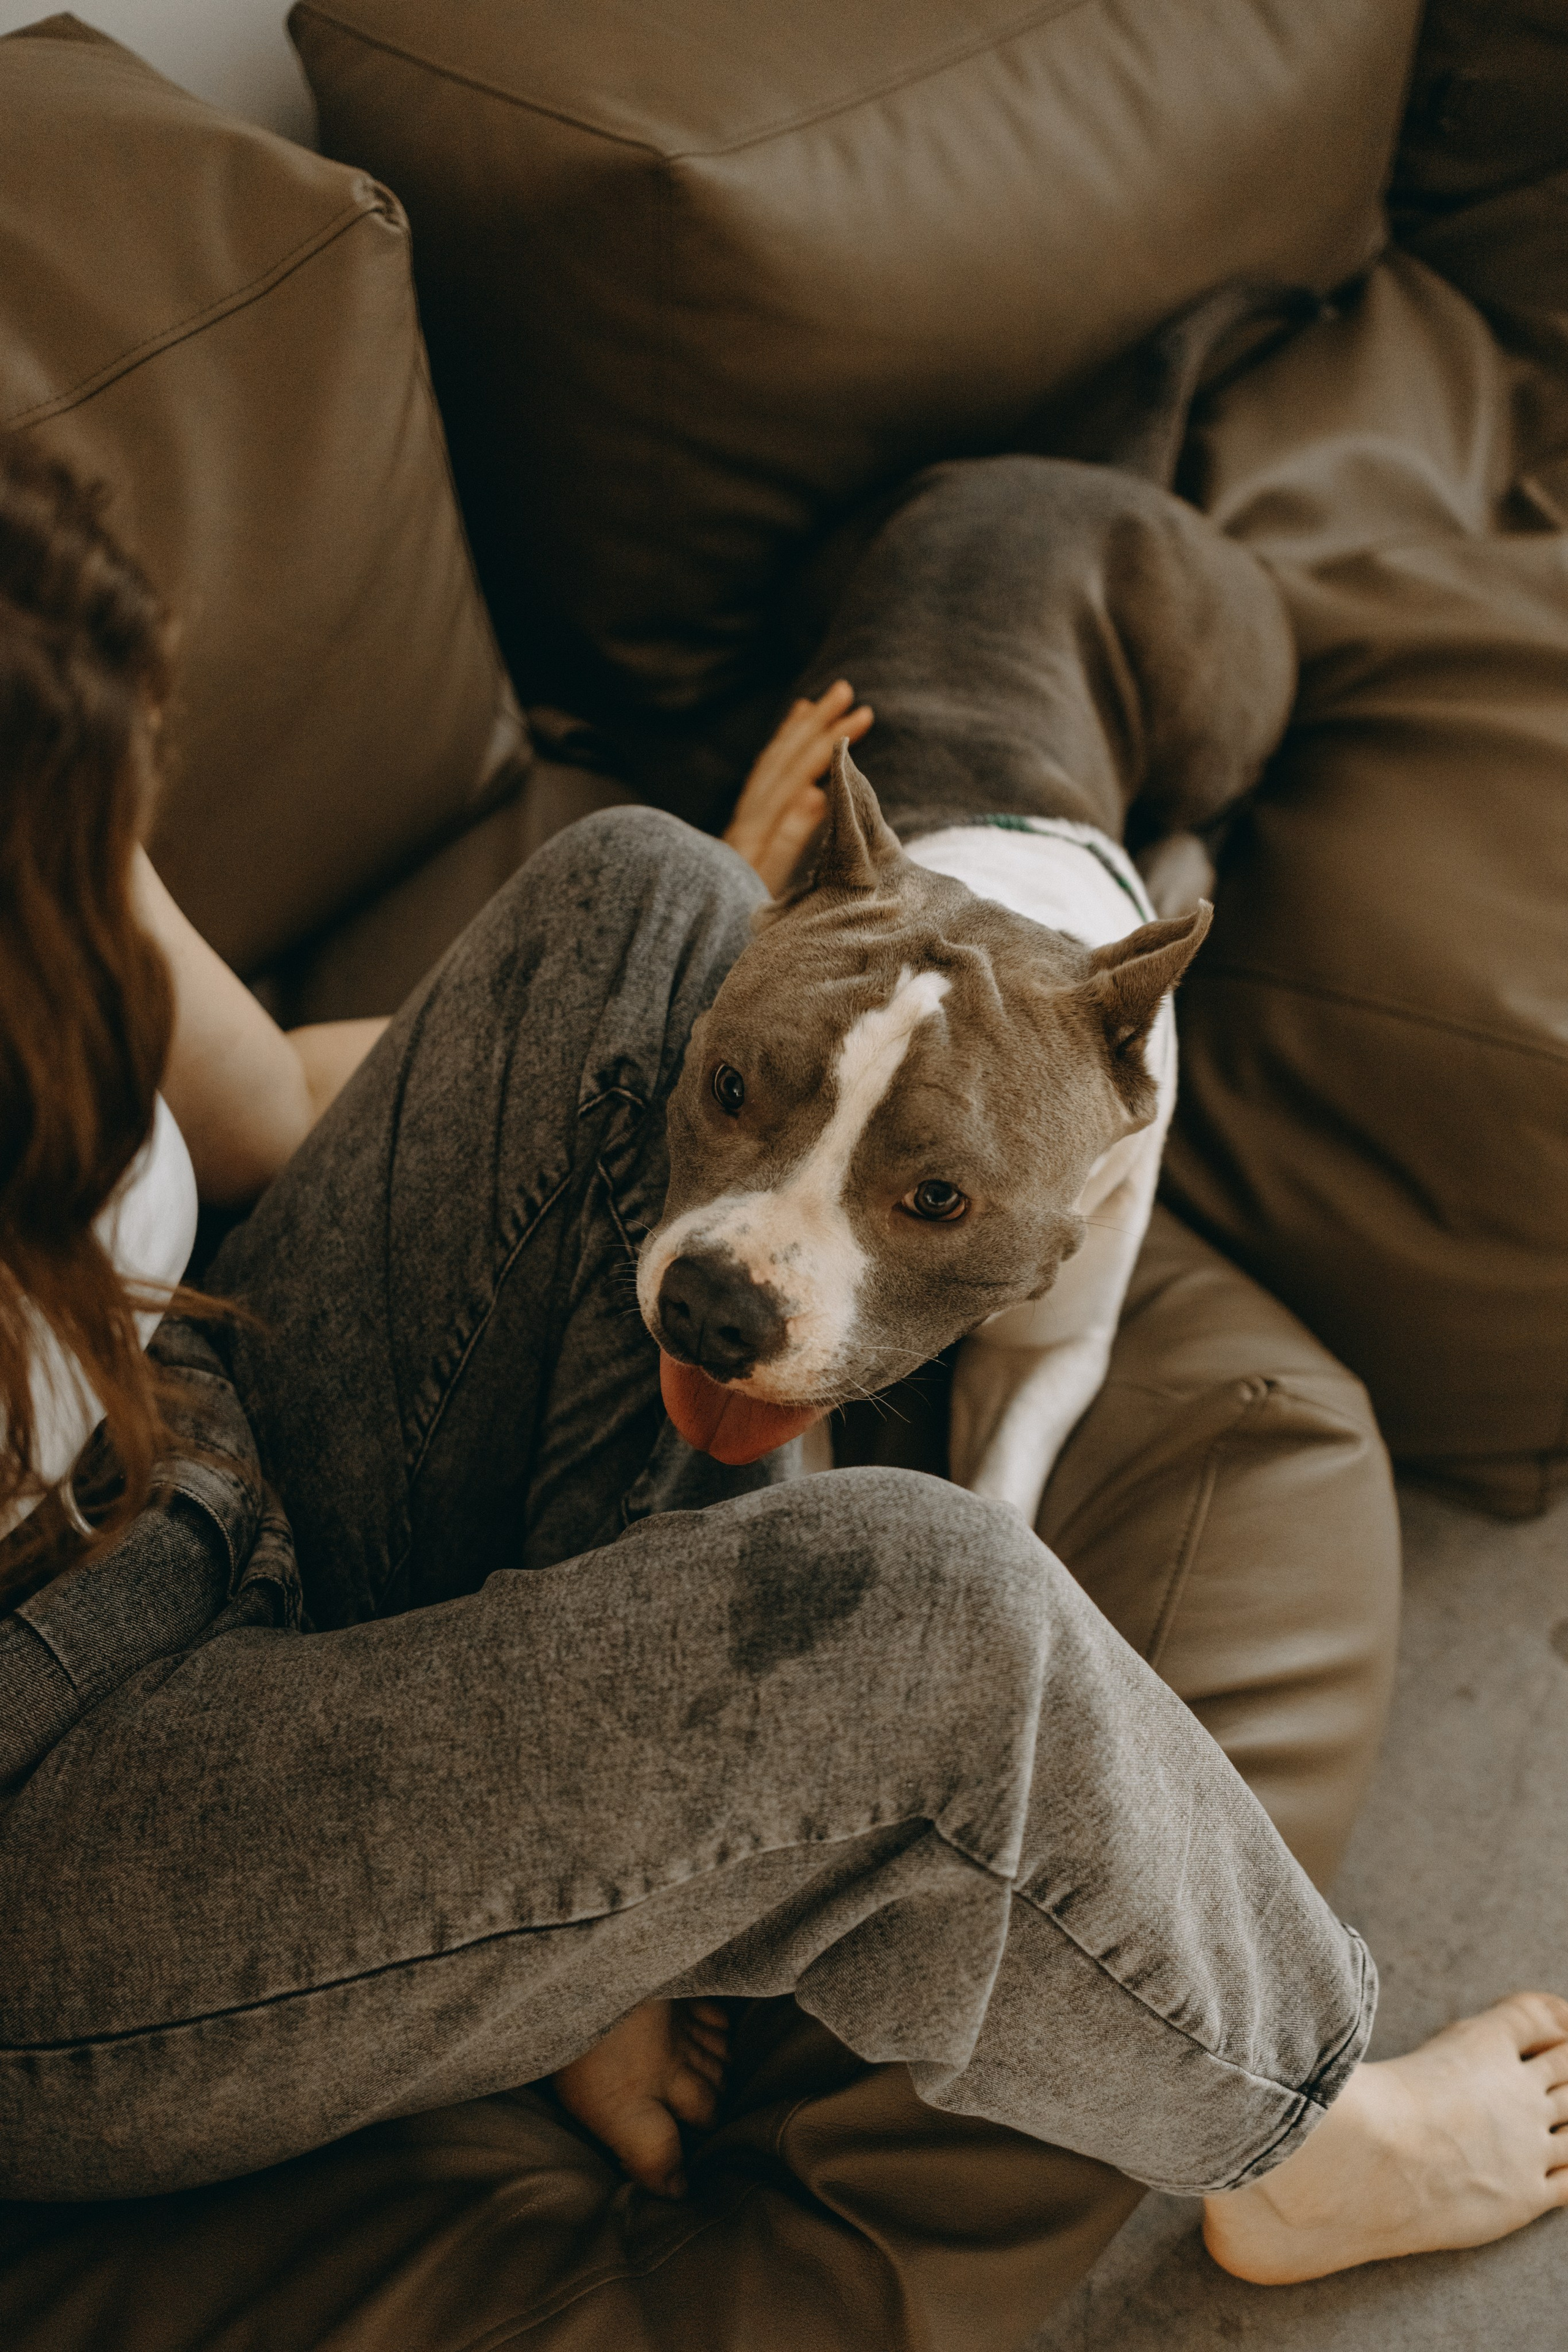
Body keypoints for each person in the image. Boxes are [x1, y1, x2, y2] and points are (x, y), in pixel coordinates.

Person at [0, 435, 1564, 2299]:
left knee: (647, 897)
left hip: (198, 1436)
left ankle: (572, 1908)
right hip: (62, 1810)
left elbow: (258, 1109)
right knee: (925, 1612)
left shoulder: (36, 813)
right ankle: (1298, 2139)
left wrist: (729, 975)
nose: (114, 850)